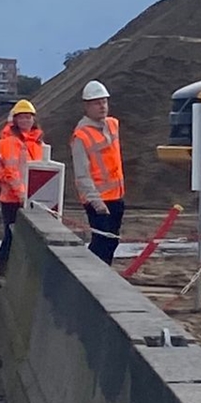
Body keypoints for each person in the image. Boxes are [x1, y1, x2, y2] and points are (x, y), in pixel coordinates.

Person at [70, 79, 126, 266]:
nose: (102, 106)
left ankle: (104, 275)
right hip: (98, 200)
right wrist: (96, 201)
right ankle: (88, 276)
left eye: (104, 101)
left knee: (112, 242)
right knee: (101, 243)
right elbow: (82, 174)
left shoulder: (112, 125)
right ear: (86, 106)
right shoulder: (81, 136)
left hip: (116, 196)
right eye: (97, 102)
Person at [0, 98, 44, 280]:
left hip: (32, 199)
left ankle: (17, 271)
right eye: (22, 117)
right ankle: (2, 270)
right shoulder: (7, 143)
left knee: (27, 238)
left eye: (29, 117)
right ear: (15, 120)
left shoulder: (38, 144)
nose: (26, 121)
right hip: (12, 200)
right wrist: (21, 193)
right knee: (11, 236)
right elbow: (7, 172)